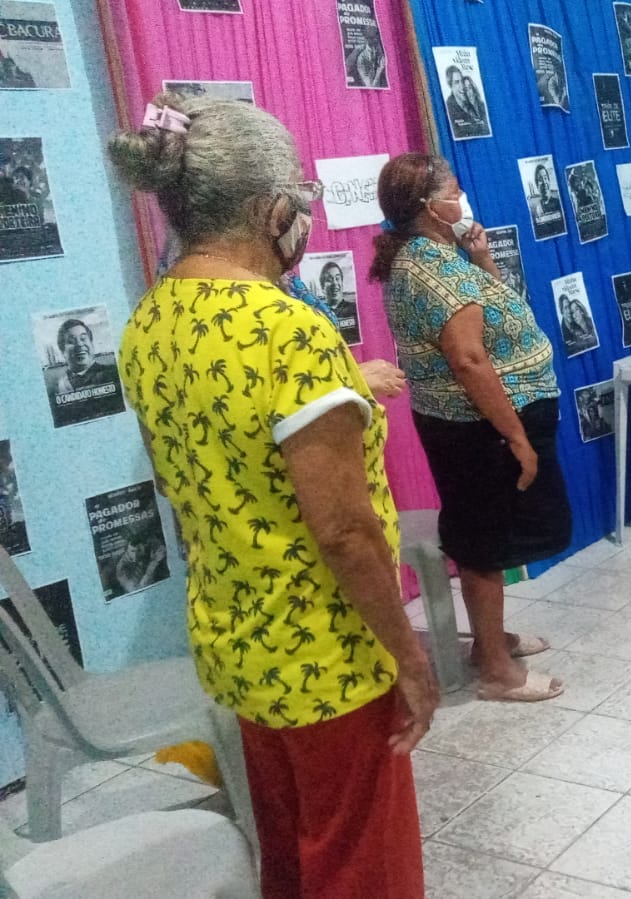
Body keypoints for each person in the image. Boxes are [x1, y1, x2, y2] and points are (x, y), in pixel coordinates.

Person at [108, 92, 435, 898]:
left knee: (290, 848)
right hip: (327, 654)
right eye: (301, 198)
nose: (305, 217)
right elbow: (344, 532)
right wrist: (408, 654)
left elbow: (182, 478)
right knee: (359, 864)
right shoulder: (288, 330)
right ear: (267, 208)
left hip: (239, 643)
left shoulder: (149, 321)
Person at [373, 152, 569, 703]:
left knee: (492, 535)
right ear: (430, 207)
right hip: (480, 430)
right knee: (487, 542)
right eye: (454, 192)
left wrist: (481, 257)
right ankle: (495, 671)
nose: (462, 199)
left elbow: (498, 311)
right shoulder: (434, 272)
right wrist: (517, 438)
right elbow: (469, 361)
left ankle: (490, 641)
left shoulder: (436, 257)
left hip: (476, 424)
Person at [443, 66, 487, 137]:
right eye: (457, 82)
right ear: (450, 86)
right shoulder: (448, 109)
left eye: (462, 81)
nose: (462, 86)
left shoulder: (471, 103)